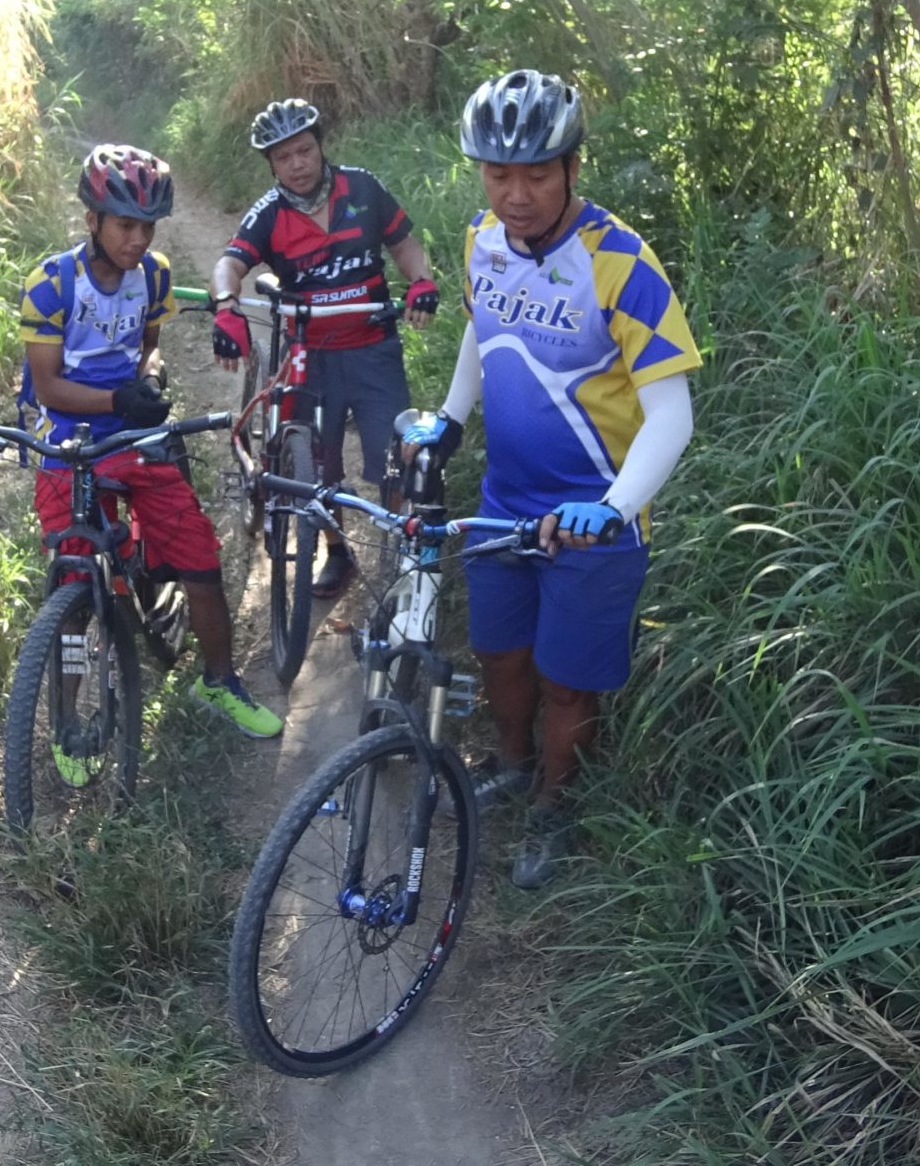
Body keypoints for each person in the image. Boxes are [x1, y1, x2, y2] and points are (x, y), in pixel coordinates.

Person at [401, 70, 700, 888]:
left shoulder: (621, 264)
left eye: (536, 173)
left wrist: (614, 508)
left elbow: (672, 413)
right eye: (499, 174)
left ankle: (554, 804)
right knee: (500, 655)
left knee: (568, 679)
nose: (517, 194)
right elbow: (482, 334)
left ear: (573, 167)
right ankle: (509, 760)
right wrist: (451, 421)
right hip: (507, 501)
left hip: (594, 515)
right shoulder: (481, 239)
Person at [18, 145, 283, 767]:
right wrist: (118, 397)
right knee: (74, 574)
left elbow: (149, 348)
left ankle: (218, 681)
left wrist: (149, 379)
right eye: (124, 225)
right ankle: (68, 718)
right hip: (69, 442)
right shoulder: (53, 285)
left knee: (197, 555)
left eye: (147, 226)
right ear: (92, 219)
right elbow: (50, 385)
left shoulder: (156, 276)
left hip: (133, 437)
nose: (138, 239)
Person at [210, 98, 443, 599]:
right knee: (321, 465)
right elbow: (228, 265)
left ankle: (401, 551)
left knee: (395, 456)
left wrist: (421, 280)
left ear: (320, 146)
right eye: (283, 158)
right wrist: (227, 306)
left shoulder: (362, 188)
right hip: (308, 353)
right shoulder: (268, 214)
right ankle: (338, 551)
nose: (297, 165)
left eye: (304, 151)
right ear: (271, 165)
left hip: (372, 344)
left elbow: (404, 244)